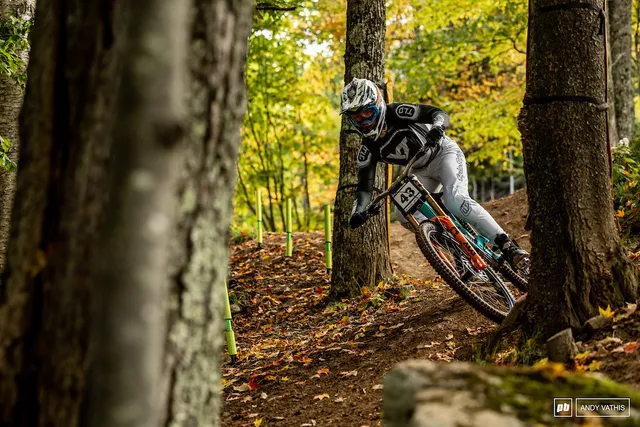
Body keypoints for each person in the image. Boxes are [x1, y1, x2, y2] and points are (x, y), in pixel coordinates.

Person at [340, 77, 528, 269]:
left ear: (379, 105)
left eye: (368, 113)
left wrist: (438, 127)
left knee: (456, 201)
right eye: (357, 118)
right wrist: (359, 211)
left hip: (443, 153)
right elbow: (364, 188)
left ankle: (507, 246)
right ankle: (458, 249)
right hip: (418, 170)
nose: (364, 122)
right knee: (403, 214)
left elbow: (438, 113)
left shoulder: (397, 111)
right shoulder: (366, 150)